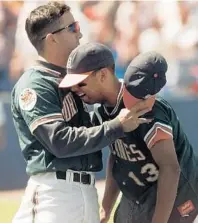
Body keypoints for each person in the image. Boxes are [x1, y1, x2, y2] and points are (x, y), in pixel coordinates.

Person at [11, 2, 151, 223]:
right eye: (73, 27)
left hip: (85, 190)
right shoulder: (35, 83)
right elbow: (60, 141)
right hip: (54, 194)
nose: (80, 32)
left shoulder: (74, 79)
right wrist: (117, 126)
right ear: (52, 39)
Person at [59, 42, 198, 223]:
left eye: (80, 83)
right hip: (139, 196)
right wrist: (106, 208)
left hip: (178, 195)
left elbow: (170, 169)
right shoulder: (103, 112)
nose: (75, 89)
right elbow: (118, 158)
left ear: (102, 75)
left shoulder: (144, 107)